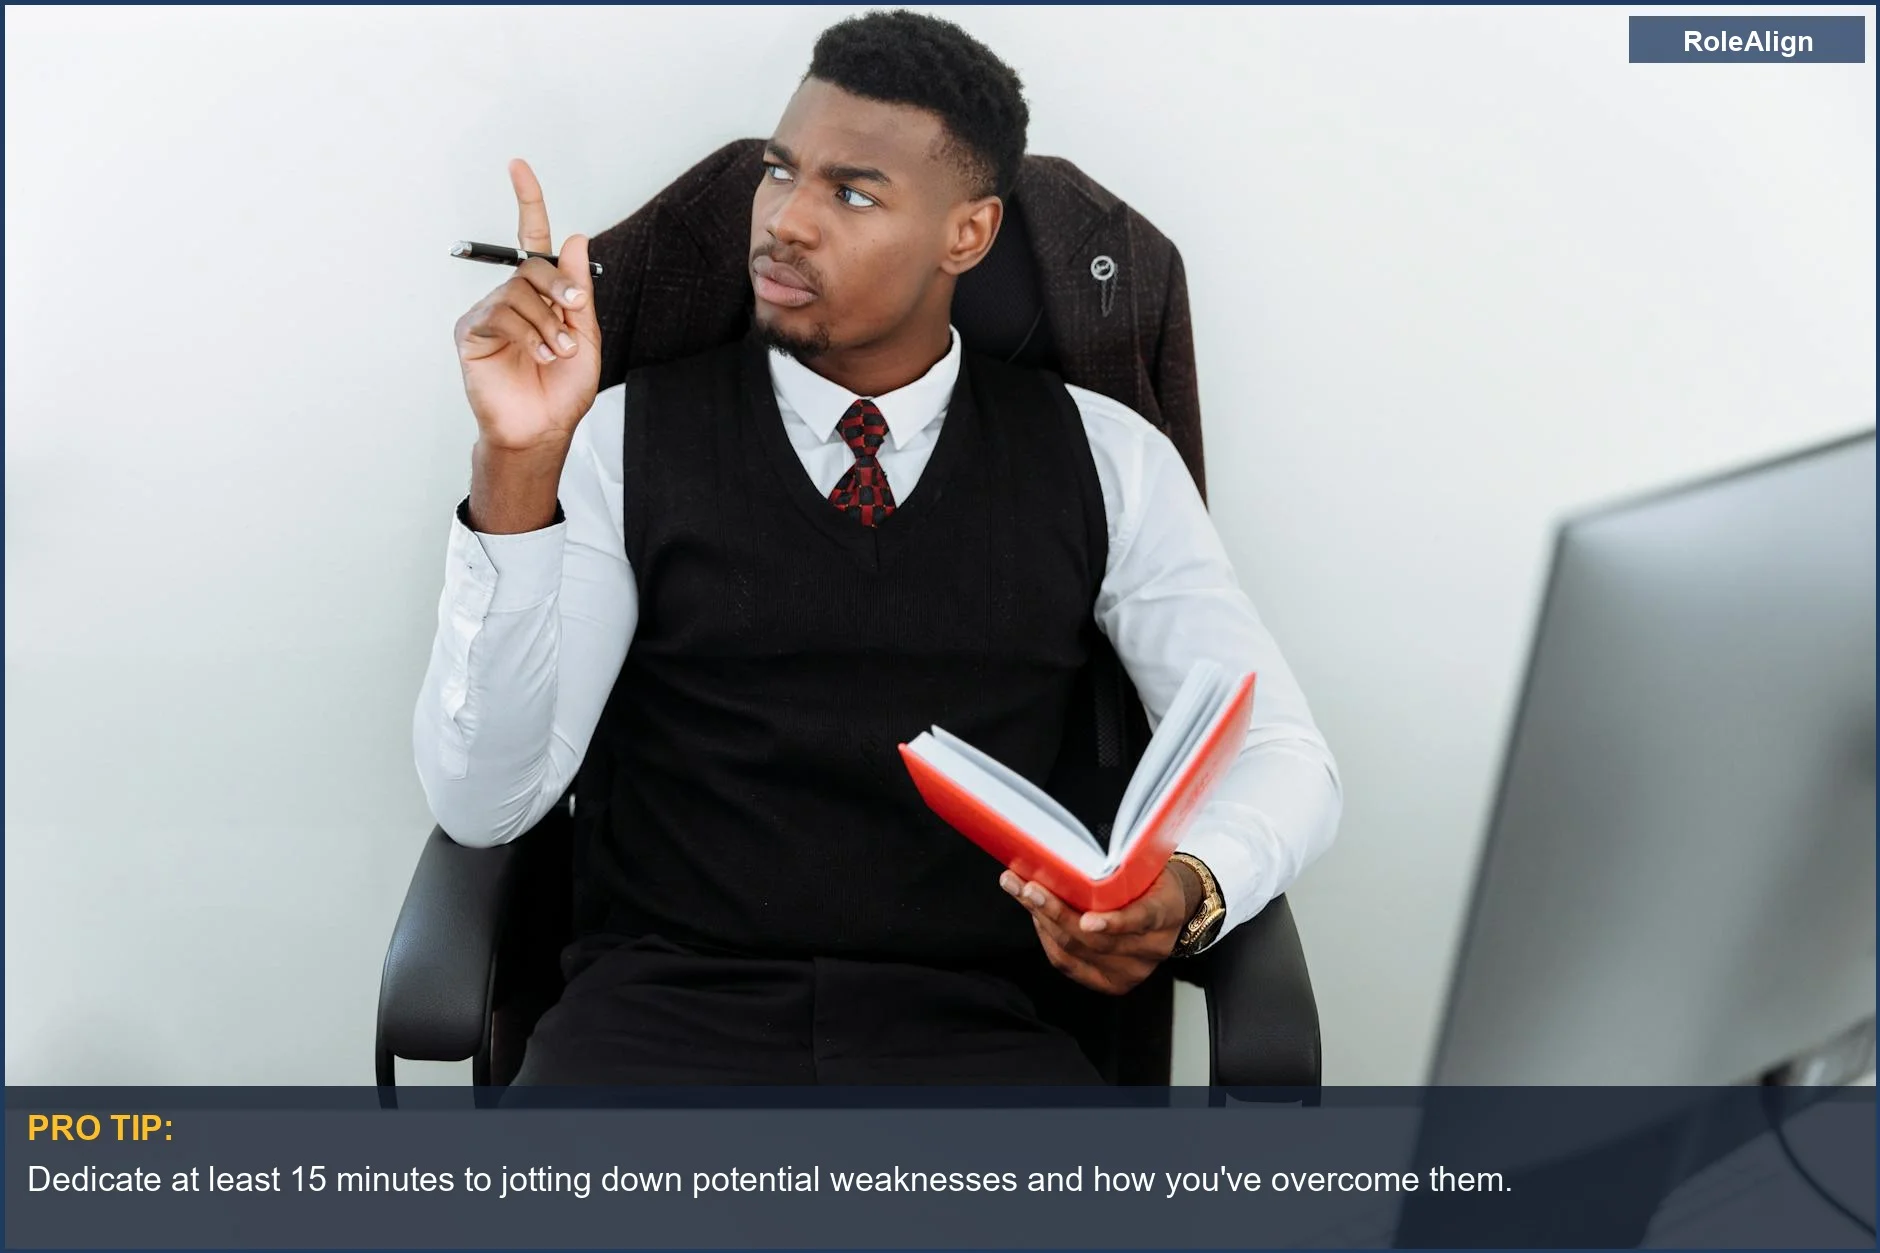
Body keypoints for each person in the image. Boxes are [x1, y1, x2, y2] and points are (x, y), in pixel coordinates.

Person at [414, 9, 1342, 1084]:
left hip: (982, 1044)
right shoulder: (624, 436)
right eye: (778, 171)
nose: (784, 222)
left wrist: (1189, 885)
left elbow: (1281, 753)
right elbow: (486, 801)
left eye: (851, 192)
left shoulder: (1106, 459)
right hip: (656, 1029)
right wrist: (518, 460)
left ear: (968, 234)